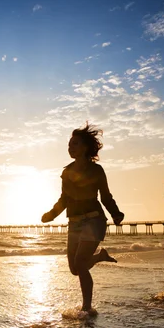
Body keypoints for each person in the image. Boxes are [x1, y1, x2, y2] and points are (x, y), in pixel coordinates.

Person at [42, 124, 124, 316]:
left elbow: (105, 196)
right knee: (74, 269)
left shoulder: (96, 170)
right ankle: (100, 256)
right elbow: (64, 199)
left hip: (94, 220)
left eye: (75, 144)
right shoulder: (67, 171)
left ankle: (87, 307)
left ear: (86, 147)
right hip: (74, 222)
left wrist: (116, 213)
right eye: (69, 144)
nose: (70, 147)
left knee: (80, 262)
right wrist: (51, 214)